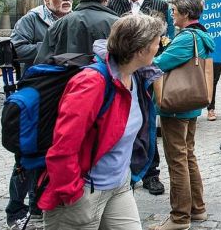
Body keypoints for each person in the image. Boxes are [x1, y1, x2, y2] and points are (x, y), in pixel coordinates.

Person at [39, 14, 162, 230]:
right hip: (84, 190)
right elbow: (63, 147)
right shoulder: (91, 83)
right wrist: (72, 193)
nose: (159, 47)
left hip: (119, 185)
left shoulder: (136, 76)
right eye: (156, 42)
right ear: (140, 50)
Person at [5, 0, 73, 230]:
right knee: (26, 154)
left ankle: (37, 205)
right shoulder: (31, 19)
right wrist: (53, 49)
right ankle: (15, 209)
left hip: (60, 95)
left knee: (48, 152)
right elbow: (17, 48)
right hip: (34, 94)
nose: (66, 0)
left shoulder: (73, 19)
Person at [149, 0, 214, 230]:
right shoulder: (201, 35)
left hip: (176, 105)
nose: (172, 14)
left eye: (175, 11)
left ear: (186, 13)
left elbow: (159, 63)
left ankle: (179, 218)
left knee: (177, 160)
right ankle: (197, 209)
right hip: (190, 104)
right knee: (188, 155)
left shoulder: (187, 38)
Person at [108, 0, 172, 195]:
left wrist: (155, 63)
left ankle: (151, 173)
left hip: (148, 73)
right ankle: (123, 169)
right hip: (122, 73)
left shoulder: (159, 6)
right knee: (123, 121)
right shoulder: (114, 5)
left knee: (147, 121)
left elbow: (167, 39)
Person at [34, 0, 118, 64]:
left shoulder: (58, 25)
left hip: (67, 72)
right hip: (105, 72)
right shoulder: (117, 24)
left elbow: (42, 63)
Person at [10, 0, 73, 70]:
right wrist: (51, 48)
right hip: (41, 73)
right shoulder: (31, 19)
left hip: (70, 71)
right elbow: (17, 49)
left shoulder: (76, 19)